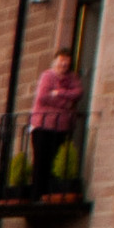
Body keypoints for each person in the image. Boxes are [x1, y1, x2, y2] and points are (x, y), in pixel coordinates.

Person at [24, 47, 84, 198]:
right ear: (55, 61)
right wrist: (66, 103)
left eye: (66, 63)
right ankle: (37, 195)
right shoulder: (47, 76)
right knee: (41, 161)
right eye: (61, 61)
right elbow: (43, 97)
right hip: (42, 124)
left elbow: (78, 93)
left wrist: (58, 93)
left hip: (62, 126)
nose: (64, 65)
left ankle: (50, 193)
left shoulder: (72, 78)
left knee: (54, 160)